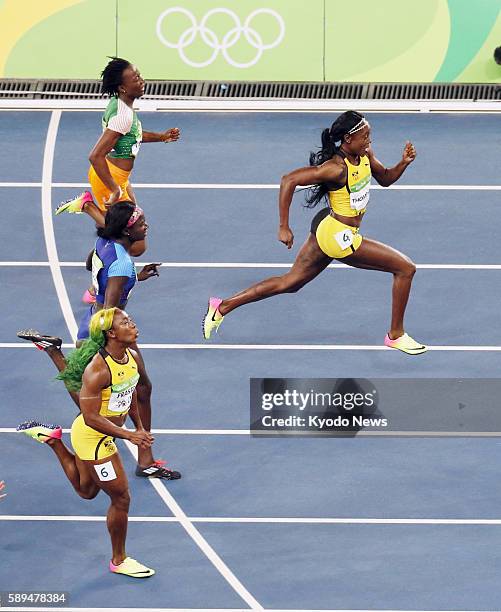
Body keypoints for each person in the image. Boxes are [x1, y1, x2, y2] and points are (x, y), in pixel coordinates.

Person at [203, 111, 426, 355]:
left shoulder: (365, 156)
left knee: (290, 282)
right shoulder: (334, 169)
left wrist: (403, 163)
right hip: (339, 237)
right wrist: (283, 226)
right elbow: (289, 180)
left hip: (327, 227)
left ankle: (222, 307)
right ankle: (396, 335)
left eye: (369, 135)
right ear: (348, 139)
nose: (369, 140)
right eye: (365, 136)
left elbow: (385, 179)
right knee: (405, 268)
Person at [18, 203, 181, 479]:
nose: (146, 227)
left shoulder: (104, 242)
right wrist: (110, 346)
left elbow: (91, 267)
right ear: (127, 230)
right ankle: (55, 354)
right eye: (142, 224)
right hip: (103, 329)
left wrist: (134, 278)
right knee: (102, 399)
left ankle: (145, 458)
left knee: (138, 387)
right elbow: (109, 309)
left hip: (95, 321)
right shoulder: (121, 264)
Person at [17, 309, 156, 577]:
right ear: (111, 334)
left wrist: (138, 426)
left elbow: (129, 396)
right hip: (93, 437)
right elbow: (90, 417)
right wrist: (129, 436)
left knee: (86, 491)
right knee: (121, 497)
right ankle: (119, 560)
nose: (133, 323)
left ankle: (53, 441)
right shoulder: (98, 370)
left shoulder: (133, 357)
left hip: (107, 433)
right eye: (125, 322)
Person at [55, 56, 180, 301]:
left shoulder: (119, 105)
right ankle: (88, 207)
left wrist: (162, 137)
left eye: (140, 75)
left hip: (119, 176)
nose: (142, 81)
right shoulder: (123, 115)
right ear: (123, 87)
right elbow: (95, 155)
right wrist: (113, 190)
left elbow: (133, 136)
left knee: (130, 228)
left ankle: (95, 258)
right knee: (134, 243)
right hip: (108, 178)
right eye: (136, 79)